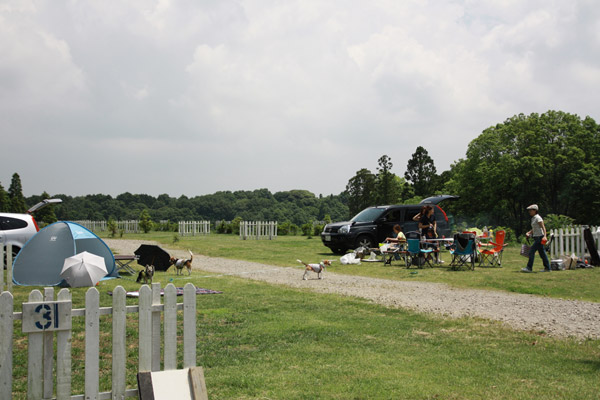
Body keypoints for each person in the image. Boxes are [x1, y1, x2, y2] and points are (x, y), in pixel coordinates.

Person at [521, 204, 550, 273]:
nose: (529, 212)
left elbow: (543, 227)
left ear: (535, 210)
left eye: (531, 210)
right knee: (542, 253)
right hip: (536, 237)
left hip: (540, 237)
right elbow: (534, 228)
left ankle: (529, 268)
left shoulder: (538, 218)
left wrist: (545, 236)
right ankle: (547, 268)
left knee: (531, 251)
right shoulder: (533, 218)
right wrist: (529, 232)